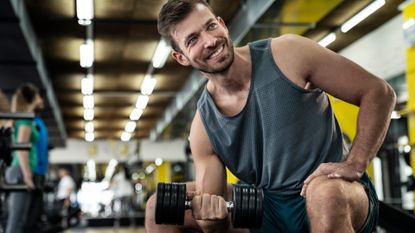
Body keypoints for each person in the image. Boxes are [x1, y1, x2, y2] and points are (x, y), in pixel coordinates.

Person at [145, 1, 396, 233]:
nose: (209, 40)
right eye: (193, 40)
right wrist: (211, 215)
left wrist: (355, 163)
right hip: (265, 206)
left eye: (210, 26)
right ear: (181, 58)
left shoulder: (288, 53)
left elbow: (378, 92)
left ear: (222, 24)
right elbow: (213, 225)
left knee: (325, 194)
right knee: (158, 207)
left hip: (336, 192)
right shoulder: (203, 127)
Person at [5, 83, 43, 233]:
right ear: (32, 98)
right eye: (38, 95)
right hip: (20, 171)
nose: (41, 98)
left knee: (17, 220)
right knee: (17, 221)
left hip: (18, 170)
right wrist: (27, 176)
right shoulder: (25, 120)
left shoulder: (22, 119)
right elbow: (21, 147)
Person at [24, 100, 49, 233]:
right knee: (29, 214)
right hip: (33, 170)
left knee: (36, 211)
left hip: (40, 171)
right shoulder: (29, 120)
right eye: (37, 97)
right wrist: (27, 172)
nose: (41, 100)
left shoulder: (39, 121)